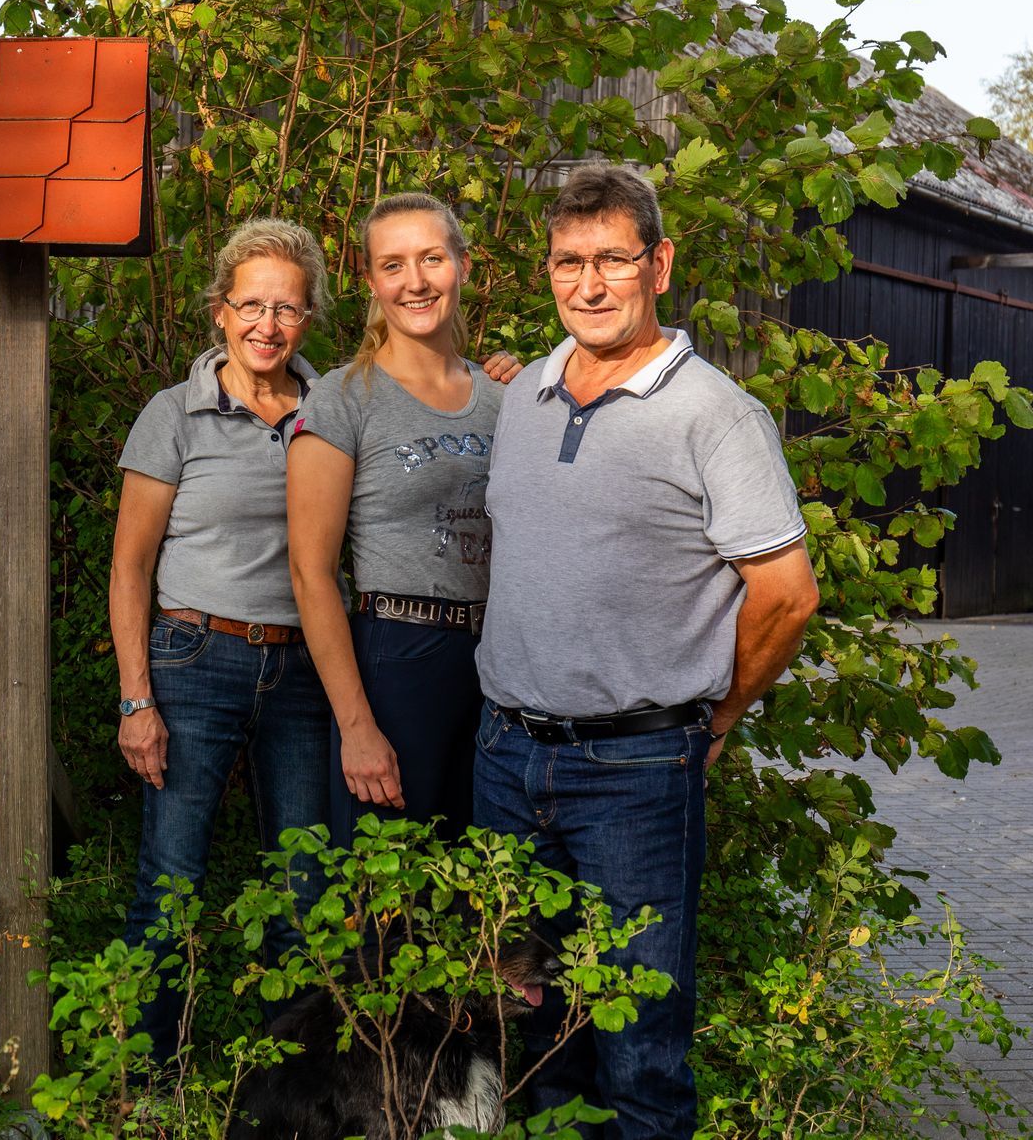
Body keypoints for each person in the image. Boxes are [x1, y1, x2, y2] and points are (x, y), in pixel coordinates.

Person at [472, 164, 820, 1138]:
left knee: (639, 1045)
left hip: (634, 766)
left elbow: (788, 595)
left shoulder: (714, 414)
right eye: (568, 262)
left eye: (612, 261)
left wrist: (721, 715)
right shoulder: (525, 400)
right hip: (505, 758)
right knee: (529, 1032)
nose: (588, 284)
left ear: (658, 264)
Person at [110, 217, 334, 1063]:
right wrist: (139, 699)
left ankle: (286, 1086)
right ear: (219, 311)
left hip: (307, 672)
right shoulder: (175, 416)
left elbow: (427, 399)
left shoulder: (334, 410)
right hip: (194, 661)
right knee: (170, 881)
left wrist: (499, 374)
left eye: (287, 309)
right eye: (251, 306)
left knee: (305, 888)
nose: (267, 326)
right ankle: (147, 1074)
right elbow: (129, 568)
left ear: (308, 319)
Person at [288, 193, 505, 839]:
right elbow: (310, 573)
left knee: (483, 881)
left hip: (498, 661)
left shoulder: (504, 399)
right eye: (393, 265)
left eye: (432, 259)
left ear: (463, 267)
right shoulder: (342, 400)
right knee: (389, 893)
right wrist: (357, 726)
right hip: (399, 658)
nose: (415, 281)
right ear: (371, 281)